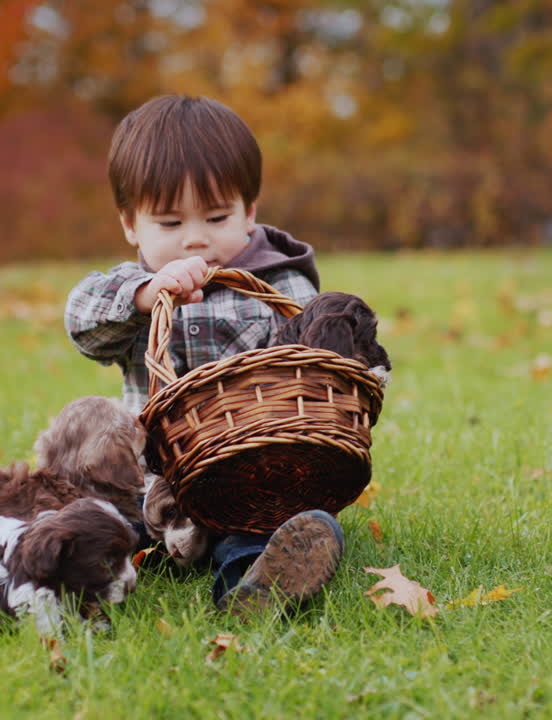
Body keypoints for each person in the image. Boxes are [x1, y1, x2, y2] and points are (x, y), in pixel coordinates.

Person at [63, 94, 344, 615]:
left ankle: (256, 583)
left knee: (260, 522)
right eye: (169, 225)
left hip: (243, 474)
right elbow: (81, 324)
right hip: (148, 481)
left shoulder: (278, 282)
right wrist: (146, 295)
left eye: (217, 217)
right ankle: (67, 577)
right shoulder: (134, 285)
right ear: (130, 224)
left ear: (249, 212)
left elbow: (312, 366)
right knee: (89, 515)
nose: (196, 240)